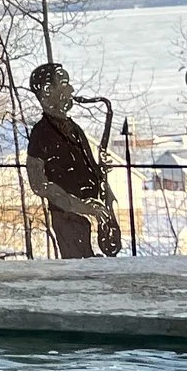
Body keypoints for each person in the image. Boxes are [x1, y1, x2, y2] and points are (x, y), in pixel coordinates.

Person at [24, 63, 123, 259]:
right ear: (47, 90)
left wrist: (99, 171)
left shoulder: (74, 128)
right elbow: (39, 184)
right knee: (80, 271)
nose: (71, 89)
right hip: (68, 217)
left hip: (91, 213)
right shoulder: (41, 133)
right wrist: (81, 206)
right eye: (65, 83)